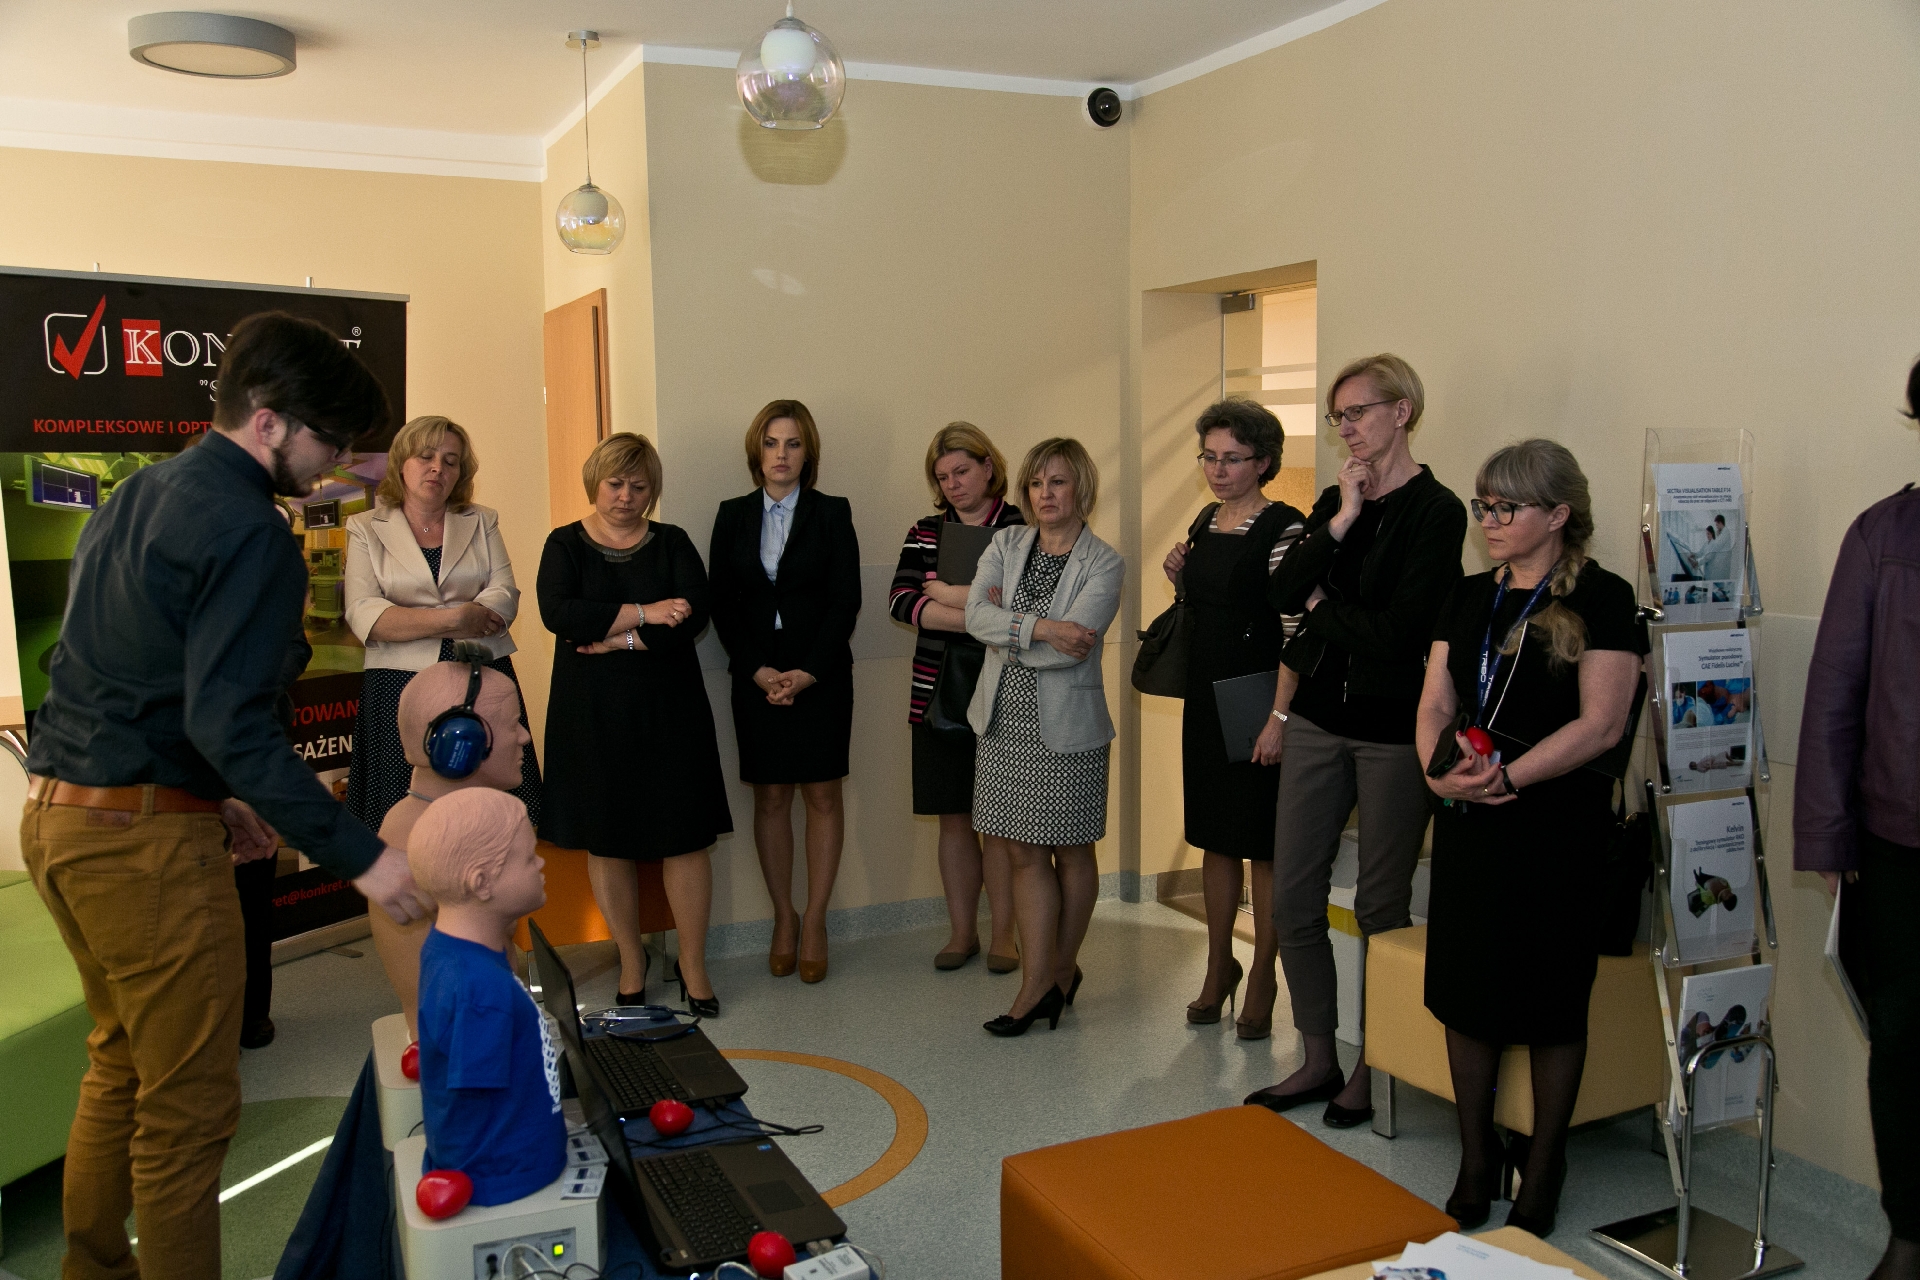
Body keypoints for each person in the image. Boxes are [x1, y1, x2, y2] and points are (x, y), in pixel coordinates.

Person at [20, 311, 427, 1280]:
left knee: (120, 1063)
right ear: (270, 421)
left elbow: (105, 670)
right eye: (330, 442)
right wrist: (365, 857)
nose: (336, 468)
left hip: (62, 820)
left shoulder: (140, 493)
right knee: (188, 1112)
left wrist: (220, 798)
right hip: (142, 854)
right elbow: (232, 722)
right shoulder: (250, 529)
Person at [1415, 439, 1645, 1236]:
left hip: (1556, 826)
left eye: (1505, 507)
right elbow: (1435, 699)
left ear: (1558, 514)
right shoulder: (1468, 594)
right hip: (1470, 818)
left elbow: (1603, 724)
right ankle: (1476, 1156)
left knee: (1551, 999)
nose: (1489, 520)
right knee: (1466, 991)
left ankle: (1545, 1164)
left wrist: (1509, 777)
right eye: (1483, 505)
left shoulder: (1605, 597)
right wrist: (1439, 775)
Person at [1245, 354, 1466, 1126]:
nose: (1346, 427)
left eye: (1358, 412)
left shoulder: (1438, 511)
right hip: (1315, 719)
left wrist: (1320, 607)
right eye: (1337, 416)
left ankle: (1378, 1063)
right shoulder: (1338, 500)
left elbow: (1401, 634)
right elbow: (1280, 590)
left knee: (1380, 905)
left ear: (1401, 412)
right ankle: (1317, 1058)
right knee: (1292, 897)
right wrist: (1339, 519)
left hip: (1393, 731)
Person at [1795, 357, 1920, 1280]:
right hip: (1900, 843)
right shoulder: (1884, 533)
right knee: (1906, 1048)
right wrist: (1828, 835)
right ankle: (1910, 1230)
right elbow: (1835, 692)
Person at [539, 433, 733, 1013]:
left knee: (685, 838)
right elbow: (561, 614)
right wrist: (647, 613)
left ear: (653, 490)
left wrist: (617, 638)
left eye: (639, 486)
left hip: (671, 711)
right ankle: (631, 961)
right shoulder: (564, 544)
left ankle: (692, 965)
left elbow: (692, 616)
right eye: (615, 484)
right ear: (595, 484)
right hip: (591, 713)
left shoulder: (672, 542)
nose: (626, 496)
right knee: (608, 839)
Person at [967, 438, 1124, 1036]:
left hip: (1069, 728)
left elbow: (1074, 647)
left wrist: (1011, 633)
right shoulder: (1005, 544)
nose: (1044, 494)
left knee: (1072, 850)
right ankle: (1037, 982)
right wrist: (1044, 628)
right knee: (1020, 852)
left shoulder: (1104, 562)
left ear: (1081, 487)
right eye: (1035, 483)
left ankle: (1059, 970)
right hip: (1003, 720)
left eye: (1057, 482)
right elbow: (975, 618)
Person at [1159, 399, 1306, 1037]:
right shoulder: (1205, 520)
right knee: (1215, 838)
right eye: (1209, 458)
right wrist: (1178, 577)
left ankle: (1264, 975)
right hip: (1204, 699)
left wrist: (1279, 718)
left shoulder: (1286, 528)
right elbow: (1209, 610)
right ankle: (1219, 967)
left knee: (1262, 847)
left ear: (1264, 462)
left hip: (1257, 702)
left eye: (1233, 459)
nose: (1218, 471)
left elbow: (1297, 632)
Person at [709, 401, 861, 984]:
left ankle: (816, 919)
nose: (781, 454)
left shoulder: (832, 512)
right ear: (757, 450)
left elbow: (845, 599)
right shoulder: (732, 514)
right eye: (772, 443)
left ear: (808, 452)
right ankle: (783, 917)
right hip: (756, 676)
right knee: (770, 797)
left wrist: (808, 672)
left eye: (793, 443)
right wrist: (756, 670)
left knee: (822, 795)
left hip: (820, 675)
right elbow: (722, 602)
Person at [344, 414, 541, 832]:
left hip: (482, 677)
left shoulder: (482, 519)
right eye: (426, 457)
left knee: (485, 818)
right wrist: (458, 617)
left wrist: (413, 619)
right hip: (398, 685)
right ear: (401, 463)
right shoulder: (365, 527)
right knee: (404, 818)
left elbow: (505, 595)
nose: (438, 468)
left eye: (451, 461)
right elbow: (366, 616)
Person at [888, 422, 1026, 970]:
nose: (953, 485)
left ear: (989, 466)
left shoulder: (1020, 527)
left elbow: (1022, 604)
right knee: (953, 818)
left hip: (1006, 694)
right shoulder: (925, 531)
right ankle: (962, 933)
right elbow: (901, 601)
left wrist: (946, 598)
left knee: (1001, 824)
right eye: (943, 477)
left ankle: (1004, 937)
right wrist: (979, 612)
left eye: (962, 471)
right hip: (934, 693)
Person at [409, 789, 566, 1206]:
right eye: (529, 858)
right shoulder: (481, 989)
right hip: (508, 1172)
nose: (541, 864)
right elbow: (475, 1094)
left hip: (498, 1157)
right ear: (481, 883)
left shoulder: (444, 947)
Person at [371, 654, 538, 1036]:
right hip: (468, 1047)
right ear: (464, 740)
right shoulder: (437, 837)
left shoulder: (415, 817)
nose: (524, 737)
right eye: (512, 724)